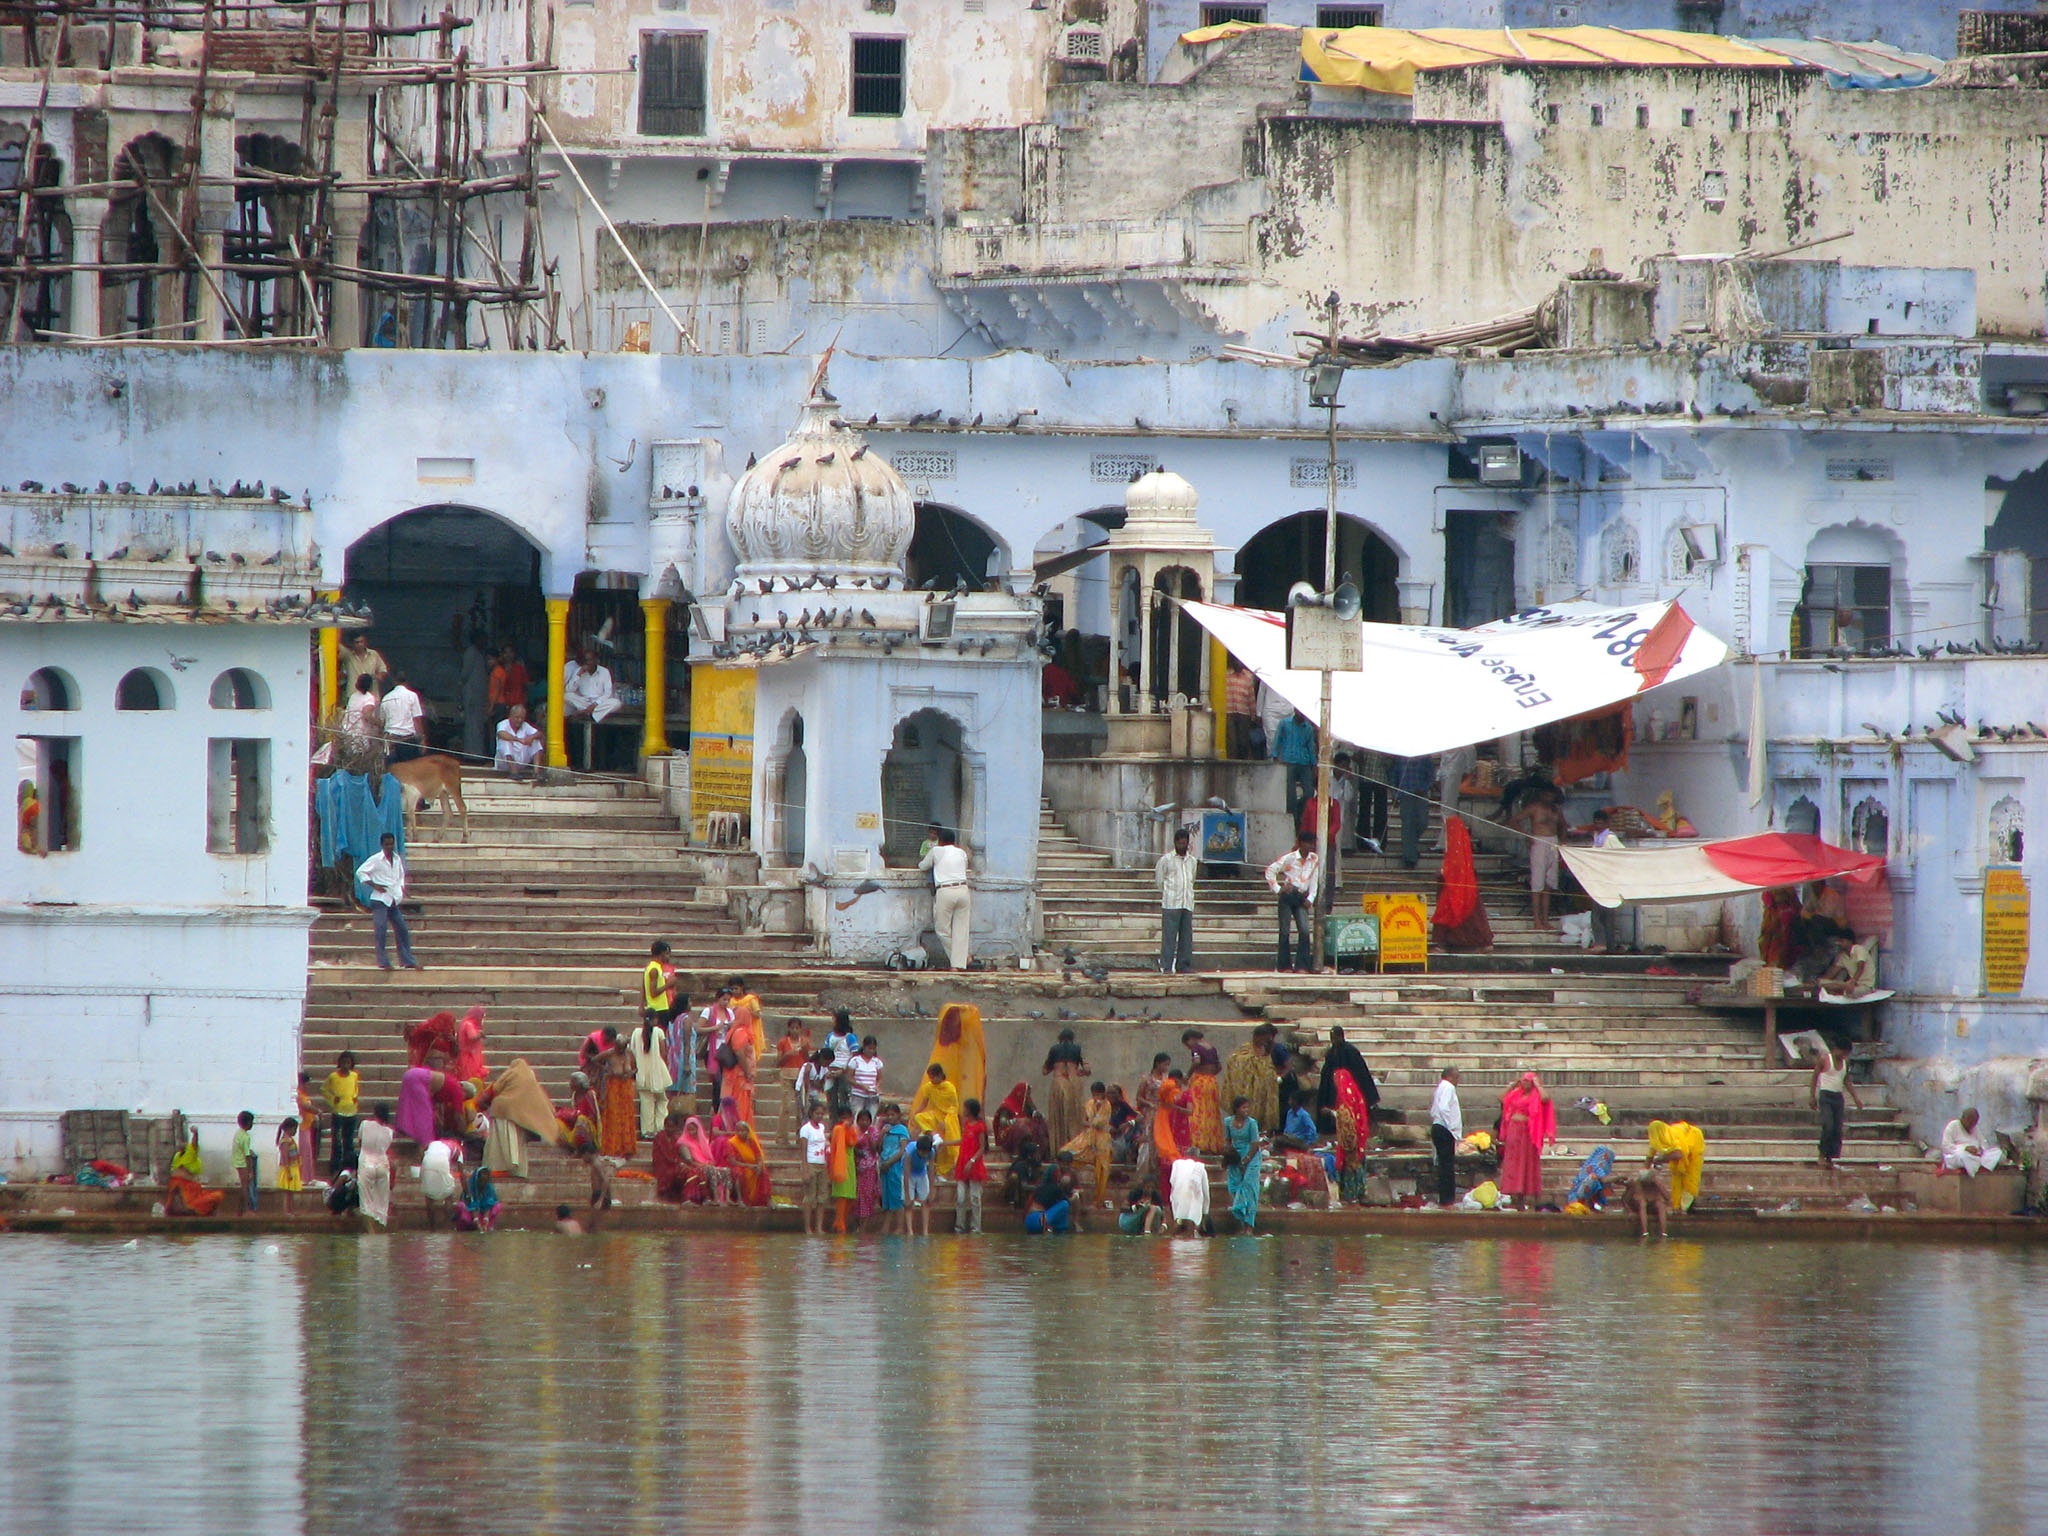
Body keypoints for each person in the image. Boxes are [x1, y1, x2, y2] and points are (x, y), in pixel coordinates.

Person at [355, 832, 419, 971]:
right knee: (381, 930)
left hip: (393, 899)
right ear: (382, 845)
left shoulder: (397, 859)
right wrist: (374, 885)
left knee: (402, 929)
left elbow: (400, 876)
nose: (390, 847)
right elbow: (361, 872)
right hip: (380, 899)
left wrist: (401, 889)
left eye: (391, 844)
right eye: (387, 844)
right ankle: (383, 961)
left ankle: (407, 960)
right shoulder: (376, 859)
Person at [1431, 815, 1495, 953]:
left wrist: (1443, 873)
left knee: (1446, 912)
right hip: (1462, 886)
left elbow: (1455, 866)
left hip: (1455, 887)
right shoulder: (1460, 843)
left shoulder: (1456, 843)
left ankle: (1442, 944)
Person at [1510, 793, 1567, 930]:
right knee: (1537, 884)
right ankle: (1537, 921)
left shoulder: (1556, 809)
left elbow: (1563, 826)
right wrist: (1526, 835)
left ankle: (1545, 920)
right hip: (1539, 842)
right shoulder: (1534, 808)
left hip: (1553, 843)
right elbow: (1513, 820)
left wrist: (1562, 842)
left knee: (1549, 884)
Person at [1265, 831, 1320, 972]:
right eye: (1308, 843)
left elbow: (1314, 880)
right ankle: (1284, 966)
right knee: (1284, 931)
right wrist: (1278, 888)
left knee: (1305, 930)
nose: (1310, 846)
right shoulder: (1290, 858)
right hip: (1288, 894)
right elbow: (1270, 870)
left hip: (1301, 896)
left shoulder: (1314, 859)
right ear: (1300, 843)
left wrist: (1311, 898)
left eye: (1312, 843)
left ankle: (1302, 965)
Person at [1498, 1072, 1556, 1207]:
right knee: (1513, 1162)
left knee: (1526, 1162)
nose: (1524, 1083)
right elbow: (1501, 1098)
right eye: (1523, 1080)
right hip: (1513, 1132)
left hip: (1527, 1133)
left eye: (1527, 1081)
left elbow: (1546, 1099)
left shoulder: (1536, 1095)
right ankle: (1515, 1197)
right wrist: (1512, 1085)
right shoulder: (1516, 1093)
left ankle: (1529, 1197)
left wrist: (1537, 1084)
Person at [918, 828, 972, 970]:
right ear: (954, 841)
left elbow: (923, 866)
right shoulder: (961, 852)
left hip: (946, 890)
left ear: (940, 841)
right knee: (961, 929)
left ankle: (962, 959)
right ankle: (959, 963)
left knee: (942, 929)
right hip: (963, 890)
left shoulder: (936, 851)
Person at [1808, 1038, 1862, 1170]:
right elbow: (1815, 1076)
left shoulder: (1846, 1063)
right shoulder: (1824, 1060)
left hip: (1838, 1097)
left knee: (1837, 1129)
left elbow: (1846, 1080)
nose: (1844, 1056)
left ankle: (1830, 1157)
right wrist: (1812, 1096)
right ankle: (1821, 1154)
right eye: (1843, 1053)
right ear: (1836, 1049)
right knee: (1828, 1125)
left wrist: (1856, 1098)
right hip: (1826, 1096)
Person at [1061, 1081, 1115, 1210]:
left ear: (1102, 1094)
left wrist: (1095, 1117)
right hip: (1088, 1136)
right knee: (1065, 1152)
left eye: (1097, 1094)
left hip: (1102, 1140)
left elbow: (1099, 1123)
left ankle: (1098, 1200)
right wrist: (1087, 1123)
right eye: (1093, 1094)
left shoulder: (1107, 1106)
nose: (1095, 1097)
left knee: (1102, 1171)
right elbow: (1084, 1120)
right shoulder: (1089, 1104)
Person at [1220, 1026, 1281, 1136]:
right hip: (1247, 1090)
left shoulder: (1267, 1050)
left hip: (1263, 1092)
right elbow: (1235, 1063)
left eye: (1268, 1040)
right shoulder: (1245, 1050)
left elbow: (1268, 1066)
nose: (1266, 1042)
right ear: (1256, 1037)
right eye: (1264, 1039)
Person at [1156, 826, 1199, 973]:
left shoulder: (1192, 861)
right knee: (1169, 937)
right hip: (1171, 903)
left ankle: (1184, 965)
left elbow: (1192, 878)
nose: (1183, 846)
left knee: (1186, 937)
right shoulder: (1166, 860)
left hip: (1187, 902)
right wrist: (1169, 893)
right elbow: (1159, 881)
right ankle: (1166, 965)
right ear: (1175, 843)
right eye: (1180, 843)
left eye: (1185, 843)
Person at [910, 1063, 962, 1177]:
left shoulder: (949, 1088)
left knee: (950, 1150)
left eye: (934, 1077)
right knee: (919, 1117)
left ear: (940, 1075)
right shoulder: (929, 1087)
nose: (932, 1080)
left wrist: (946, 1121)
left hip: (949, 1117)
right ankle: (934, 1135)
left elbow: (954, 1107)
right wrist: (914, 1114)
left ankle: (946, 1172)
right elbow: (924, 1103)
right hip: (936, 1116)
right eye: (930, 1077)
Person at [1041, 1029, 1088, 1152]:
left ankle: (1058, 1150)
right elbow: (1087, 1069)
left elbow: (1044, 1071)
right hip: (1074, 1083)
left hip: (1059, 1082)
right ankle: (1074, 1149)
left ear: (1060, 1038)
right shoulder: (1078, 1049)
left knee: (1058, 1119)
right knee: (1075, 1118)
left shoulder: (1054, 1049)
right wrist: (1078, 1072)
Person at [1317, 1026, 1379, 1117]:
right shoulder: (1331, 1053)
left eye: (1335, 1038)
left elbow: (1361, 1073)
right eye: (1332, 1038)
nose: (1333, 1041)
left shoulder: (1350, 1051)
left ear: (1341, 1037)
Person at [1587, 810, 1626, 953]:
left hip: (1608, 880)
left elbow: (1622, 854)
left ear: (1606, 823)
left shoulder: (1610, 838)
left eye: (1601, 823)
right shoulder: (1597, 837)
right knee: (1602, 913)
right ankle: (1608, 945)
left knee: (1601, 914)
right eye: (1596, 823)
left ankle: (1603, 944)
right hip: (1598, 879)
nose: (1598, 825)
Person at [1647, 1119, 1706, 1212]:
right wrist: (1644, 1172)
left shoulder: (1671, 1136)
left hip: (1694, 1148)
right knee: (1677, 1180)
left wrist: (1660, 1159)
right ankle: (1677, 1206)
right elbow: (1650, 1156)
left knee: (1690, 1180)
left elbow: (1679, 1154)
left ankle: (1687, 1207)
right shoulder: (1657, 1138)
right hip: (1680, 1157)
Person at [629, 1015, 673, 1138]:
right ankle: (660, 1128)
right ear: (655, 1020)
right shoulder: (659, 1032)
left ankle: (647, 1131)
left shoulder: (636, 1033)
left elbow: (631, 1052)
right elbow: (664, 1052)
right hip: (658, 1071)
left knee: (646, 1102)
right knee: (663, 1100)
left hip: (642, 1071)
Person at [1391, 753, 1437, 869]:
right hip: (1405, 794)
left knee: (1423, 822)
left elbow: (1431, 775)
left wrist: (1424, 788)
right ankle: (1409, 858)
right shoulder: (1400, 756)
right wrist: (1394, 795)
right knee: (1407, 825)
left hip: (1421, 794)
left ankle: (1410, 847)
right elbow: (1394, 775)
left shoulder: (1425, 756)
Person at [1224, 1097, 1264, 1231]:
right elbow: (1227, 1141)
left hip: (1251, 1157)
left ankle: (1249, 1226)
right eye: (1243, 1108)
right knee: (1234, 1187)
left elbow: (1255, 1144)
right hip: (1235, 1156)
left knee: (1249, 1189)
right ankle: (1241, 1222)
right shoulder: (1228, 1122)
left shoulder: (1252, 1123)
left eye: (1248, 1107)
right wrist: (1229, 1157)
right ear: (1236, 1109)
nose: (1246, 1110)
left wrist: (1245, 1161)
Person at [166, 1128, 224, 1217]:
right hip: (181, 1186)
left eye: (184, 1142)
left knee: (217, 1196)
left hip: (190, 1187)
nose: (181, 1144)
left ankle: (195, 1210)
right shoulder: (177, 1156)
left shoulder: (191, 1153)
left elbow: (194, 1144)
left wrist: (195, 1134)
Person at [1184, 1028, 1225, 1153]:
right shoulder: (1212, 1048)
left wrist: (1188, 1075)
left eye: (1187, 1044)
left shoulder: (1196, 1047)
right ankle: (1211, 1143)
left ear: (1190, 1039)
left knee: (1197, 1111)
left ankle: (1198, 1142)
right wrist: (1211, 1074)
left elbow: (1197, 1061)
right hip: (1212, 1082)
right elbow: (1219, 1067)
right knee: (1211, 1112)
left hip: (1200, 1082)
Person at [322, 1051, 360, 1178]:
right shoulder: (333, 1076)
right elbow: (324, 1089)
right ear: (340, 1063)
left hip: (351, 1112)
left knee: (348, 1142)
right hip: (338, 1112)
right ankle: (335, 1168)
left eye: (348, 1063)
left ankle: (349, 1168)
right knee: (337, 1142)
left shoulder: (354, 1076)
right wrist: (333, 1099)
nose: (346, 1065)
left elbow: (355, 1088)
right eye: (343, 1063)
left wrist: (355, 1097)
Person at [1272, 710, 1317, 817]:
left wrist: (1314, 764)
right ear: (1295, 711)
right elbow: (1277, 740)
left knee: (1309, 792)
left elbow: (1311, 747)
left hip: (1304, 762)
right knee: (1290, 794)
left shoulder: (1308, 728)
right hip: (1288, 761)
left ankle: (1299, 809)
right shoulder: (1284, 723)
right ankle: (1293, 817)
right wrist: (1275, 756)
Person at [1430, 1066, 1463, 1208]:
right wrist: (1451, 1127)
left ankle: (1446, 1197)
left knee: (1444, 1165)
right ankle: (1447, 1199)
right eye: (1456, 1077)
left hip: (1439, 1127)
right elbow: (1443, 1108)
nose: (1458, 1081)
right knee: (1447, 1166)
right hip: (1444, 1129)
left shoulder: (1440, 1088)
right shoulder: (1448, 1087)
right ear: (1449, 1076)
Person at [955, 1097, 989, 1233]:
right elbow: (963, 1141)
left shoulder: (980, 1126)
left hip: (974, 1165)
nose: (963, 1110)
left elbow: (982, 1147)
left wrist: (972, 1160)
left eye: (965, 1108)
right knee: (960, 1197)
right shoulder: (967, 1124)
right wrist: (945, 1143)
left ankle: (976, 1227)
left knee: (975, 1198)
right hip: (963, 1164)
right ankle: (959, 1226)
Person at [357, 1104, 394, 1226]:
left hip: (366, 1164)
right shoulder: (389, 1131)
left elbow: (360, 1142)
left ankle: (370, 1234)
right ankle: (380, 1235)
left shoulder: (365, 1124)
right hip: (382, 1165)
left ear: (375, 1112)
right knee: (382, 1206)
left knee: (366, 1204)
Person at [1025, 1151, 1079, 1234]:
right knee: (1064, 1204)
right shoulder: (1056, 1189)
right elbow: (1068, 1202)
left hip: (1028, 1222)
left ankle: (1055, 1230)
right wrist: (1075, 1196)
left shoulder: (1041, 1188)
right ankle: (1059, 1230)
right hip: (1040, 1220)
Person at [878, 1105, 913, 1233]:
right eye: (888, 1115)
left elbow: (903, 1150)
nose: (890, 1117)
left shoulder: (902, 1130)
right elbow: (879, 1147)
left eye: (893, 1115)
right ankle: (885, 1227)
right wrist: (882, 1134)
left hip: (896, 1166)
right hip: (884, 1165)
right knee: (887, 1197)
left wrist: (889, 1163)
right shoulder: (886, 1130)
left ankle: (899, 1226)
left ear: (898, 1115)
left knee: (897, 1196)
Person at [563, 646, 619, 724]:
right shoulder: (578, 671)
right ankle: (590, 712)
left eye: (590, 660)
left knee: (616, 702)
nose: (587, 663)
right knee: (566, 695)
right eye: (585, 660)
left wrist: (595, 704)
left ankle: (589, 714)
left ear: (596, 660)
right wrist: (578, 675)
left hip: (599, 702)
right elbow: (569, 690)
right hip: (584, 701)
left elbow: (608, 693)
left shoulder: (604, 671)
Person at [1940, 1108, 2005, 1175]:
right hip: (1959, 1155)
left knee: (1997, 1152)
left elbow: (1983, 1144)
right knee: (1964, 1156)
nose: (1972, 1125)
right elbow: (1946, 1147)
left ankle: (1977, 1165)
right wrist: (1965, 1148)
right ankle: (1976, 1166)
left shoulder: (1975, 1128)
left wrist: (1979, 1150)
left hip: (1975, 1156)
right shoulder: (1952, 1126)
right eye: (1970, 1122)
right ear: (1963, 1118)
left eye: (1974, 1123)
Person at [379, 671, 425, 762]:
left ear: (394, 681)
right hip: (408, 740)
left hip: (391, 741)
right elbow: (417, 719)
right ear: (406, 682)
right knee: (410, 769)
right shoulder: (412, 696)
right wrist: (422, 738)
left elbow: (382, 721)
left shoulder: (386, 698)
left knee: (392, 770)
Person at [460, 634, 493, 765]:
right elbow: (465, 673)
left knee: (478, 726)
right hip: (472, 694)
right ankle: (472, 754)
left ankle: (477, 753)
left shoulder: (479, 653)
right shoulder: (471, 652)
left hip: (478, 695)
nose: (484, 641)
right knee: (472, 725)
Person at [798, 1102, 830, 1234]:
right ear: (811, 1113)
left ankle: (819, 1227)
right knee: (809, 1197)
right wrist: (805, 1170)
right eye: (817, 1113)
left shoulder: (822, 1127)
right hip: (810, 1163)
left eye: (822, 1114)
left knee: (822, 1197)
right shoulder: (805, 1129)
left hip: (822, 1164)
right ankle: (807, 1228)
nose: (819, 1116)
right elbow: (803, 1150)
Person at [829, 1107, 860, 1232]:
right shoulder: (838, 1129)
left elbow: (852, 1142)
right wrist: (844, 1127)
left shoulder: (852, 1130)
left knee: (851, 1197)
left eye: (849, 1117)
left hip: (850, 1167)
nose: (846, 1120)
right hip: (839, 1167)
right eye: (843, 1118)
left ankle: (840, 1222)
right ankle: (840, 1224)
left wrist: (848, 1129)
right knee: (842, 1196)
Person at [1224, 656, 1260, 760]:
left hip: (1244, 712)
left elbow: (1251, 697)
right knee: (1232, 740)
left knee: (1243, 740)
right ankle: (1232, 762)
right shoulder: (1226, 675)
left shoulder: (1248, 677)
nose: (1238, 663)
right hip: (1229, 711)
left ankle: (1242, 761)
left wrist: (1253, 715)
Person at [1169, 1148, 1211, 1235]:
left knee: (1178, 1220)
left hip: (1178, 1194)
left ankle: (1175, 1236)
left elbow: (1172, 1181)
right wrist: (1205, 1213)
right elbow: (1206, 1193)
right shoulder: (1200, 1167)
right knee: (1193, 1222)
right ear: (1197, 1157)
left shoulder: (1177, 1164)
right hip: (1194, 1195)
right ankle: (1192, 1234)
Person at [494, 705, 541, 781]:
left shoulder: (525, 725)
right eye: (517, 717)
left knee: (535, 741)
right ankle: (514, 773)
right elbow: (501, 734)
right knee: (504, 741)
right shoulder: (503, 724)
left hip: (521, 762)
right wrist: (518, 740)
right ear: (510, 716)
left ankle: (536, 772)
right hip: (504, 764)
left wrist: (531, 737)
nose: (520, 720)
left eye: (522, 718)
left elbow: (539, 733)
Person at [854, 1109, 883, 1228]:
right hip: (856, 1167)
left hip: (870, 1168)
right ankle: (858, 1224)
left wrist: (870, 1137)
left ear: (870, 1121)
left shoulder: (873, 1131)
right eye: (862, 1120)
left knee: (867, 1196)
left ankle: (864, 1226)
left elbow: (875, 1149)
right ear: (858, 1121)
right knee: (857, 1196)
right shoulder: (854, 1131)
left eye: (867, 1120)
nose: (864, 1122)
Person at [1627, 1163, 1672, 1238]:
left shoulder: (1658, 1181)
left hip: (1653, 1204)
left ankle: (1663, 1233)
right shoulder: (1638, 1183)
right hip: (1641, 1205)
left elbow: (1667, 1198)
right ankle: (1644, 1232)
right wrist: (1629, 1211)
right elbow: (1631, 1199)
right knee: (1642, 1204)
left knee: (1660, 1205)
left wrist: (1658, 1185)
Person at [652, 1112, 689, 1203]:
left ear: (676, 1127)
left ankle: (682, 1196)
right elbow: (665, 1155)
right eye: (667, 1126)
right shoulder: (660, 1136)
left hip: (672, 1163)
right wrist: (678, 1163)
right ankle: (669, 1194)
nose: (669, 1129)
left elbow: (677, 1154)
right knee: (674, 1172)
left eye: (672, 1127)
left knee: (686, 1171)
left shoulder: (675, 1138)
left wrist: (681, 1163)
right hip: (661, 1163)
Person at [848, 1035, 885, 1124]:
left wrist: (876, 1087)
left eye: (873, 1049)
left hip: (872, 1095)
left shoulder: (877, 1062)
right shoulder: (855, 1060)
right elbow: (849, 1078)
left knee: (872, 1118)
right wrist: (861, 1086)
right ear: (864, 1047)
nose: (871, 1051)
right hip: (858, 1094)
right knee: (857, 1117)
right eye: (869, 1048)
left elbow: (880, 1078)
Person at [489, 644, 530, 720]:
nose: (508, 655)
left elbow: (526, 686)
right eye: (506, 652)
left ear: (514, 654)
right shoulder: (499, 669)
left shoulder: (519, 668)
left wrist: (525, 702)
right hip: (503, 703)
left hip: (518, 701)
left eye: (510, 652)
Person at [341, 632, 389, 697]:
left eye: (362, 642)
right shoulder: (348, 655)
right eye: (357, 642)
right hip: (354, 694)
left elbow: (383, 670)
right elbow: (336, 645)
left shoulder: (374, 654)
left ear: (365, 642)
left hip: (372, 694)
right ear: (352, 644)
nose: (360, 644)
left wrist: (378, 676)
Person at [231, 1110, 259, 1214]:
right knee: (246, 1187)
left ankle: (240, 1210)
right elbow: (247, 1156)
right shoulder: (245, 1137)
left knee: (244, 1185)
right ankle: (247, 1209)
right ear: (248, 1123)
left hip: (237, 1161)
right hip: (243, 1163)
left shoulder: (238, 1133)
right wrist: (250, 1171)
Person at [274, 1117, 302, 1214]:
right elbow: (285, 1156)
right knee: (288, 1192)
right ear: (289, 1128)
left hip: (293, 1167)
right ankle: (287, 1210)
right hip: (288, 1168)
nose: (295, 1131)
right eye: (294, 1129)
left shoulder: (290, 1139)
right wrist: (288, 1171)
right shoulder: (285, 1141)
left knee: (291, 1192)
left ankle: (291, 1210)